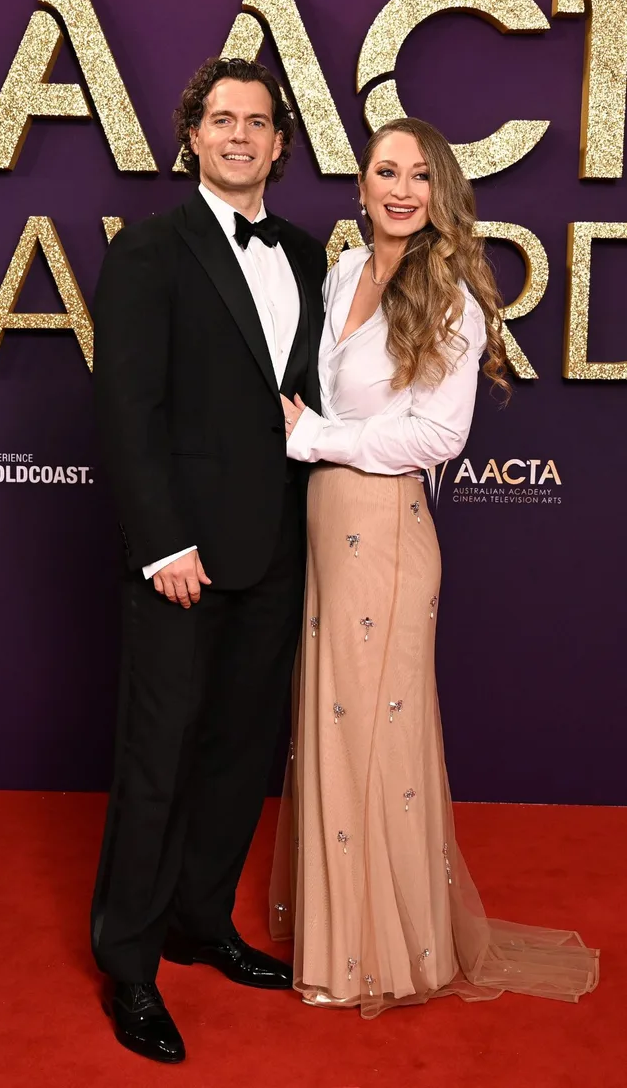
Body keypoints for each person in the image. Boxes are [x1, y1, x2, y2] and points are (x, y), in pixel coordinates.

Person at [270, 117, 599, 1017]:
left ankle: (385, 955)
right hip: (325, 528)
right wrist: (309, 439)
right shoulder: (341, 274)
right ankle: (340, 939)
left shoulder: (449, 292)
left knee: (382, 739)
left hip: (387, 530)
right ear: (363, 184)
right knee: (334, 727)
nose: (402, 189)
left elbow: (438, 434)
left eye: (420, 174)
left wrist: (316, 437)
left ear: (440, 189)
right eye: (386, 171)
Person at [91, 57, 326, 1062]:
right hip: (184, 557)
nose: (239, 135)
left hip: (278, 545)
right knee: (158, 761)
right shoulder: (149, 253)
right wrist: (163, 545)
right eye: (221, 119)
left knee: (236, 755)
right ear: (192, 136)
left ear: (279, 141)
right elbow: (125, 412)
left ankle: (198, 919)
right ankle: (130, 963)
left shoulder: (311, 254)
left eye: (257, 121)